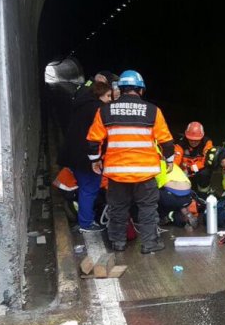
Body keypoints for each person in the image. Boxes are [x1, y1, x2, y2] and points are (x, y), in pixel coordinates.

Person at [86, 70, 175, 254]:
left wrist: (95, 160)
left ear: (120, 89)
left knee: (118, 208)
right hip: (145, 173)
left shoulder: (105, 110)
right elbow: (166, 140)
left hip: (117, 173)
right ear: (141, 90)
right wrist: (170, 160)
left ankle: (118, 242)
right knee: (148, 209)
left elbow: (93, 140)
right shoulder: (152, 111)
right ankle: (149, 243)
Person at [62, 80, 112, 233]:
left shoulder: (81, 105)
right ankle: (86, 223)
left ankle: (84, 217)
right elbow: (99, 136)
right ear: (100, 95)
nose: (110, 99)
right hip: (87, 157)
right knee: (89, 189)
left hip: (73, 154)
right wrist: (97, 158)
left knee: (84, 187)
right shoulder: (98, 109)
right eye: (108, 96)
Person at [155, 155, 199, 229]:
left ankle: (163, 217)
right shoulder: (173, 165)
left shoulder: (155, 166)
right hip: (188, 196)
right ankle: (185, 213)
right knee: (178, 202)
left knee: (149, 195)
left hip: (170, 197)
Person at [174, 121, 215, 196]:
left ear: (201, 137)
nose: (193, 142)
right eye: (190, 139)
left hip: (200, 170)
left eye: (196, 140)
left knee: (205, 173)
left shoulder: (207, 143)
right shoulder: (180, 143)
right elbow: (176, 160)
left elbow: (207, 160)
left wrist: (192, 168)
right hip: (185, 170)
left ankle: (203, 193)